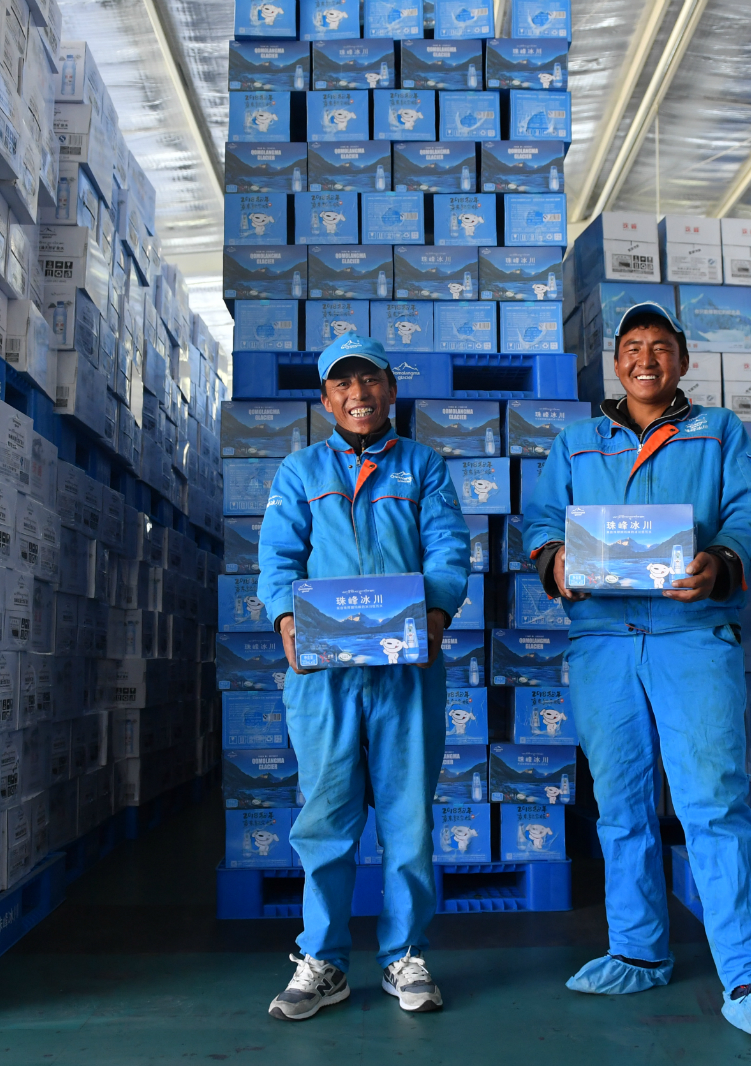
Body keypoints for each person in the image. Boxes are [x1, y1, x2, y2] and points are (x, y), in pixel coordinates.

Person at [521, 302, 751, 1038]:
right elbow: (542, 521)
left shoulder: (718, 432)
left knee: (712, 802)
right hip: (603, 641)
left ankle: (749, 973)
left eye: (660, 346)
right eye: (633, 347)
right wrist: (555, 560)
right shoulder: (578, 443)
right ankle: (638, 951)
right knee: (620, 805)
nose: (645, 359)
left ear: (682, 359)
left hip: (692, 635)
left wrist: (721, 560)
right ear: (615, 361)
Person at [256, 331, 471, 1021]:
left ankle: (405, 953)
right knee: (325, 817)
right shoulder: (300, 472)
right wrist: (285, 620)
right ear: (325, 400)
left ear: (391, 390)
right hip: (325, 676)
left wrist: (435, 614)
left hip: (406, 670)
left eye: (370, 379)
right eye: (343, 384)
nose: (359, 394)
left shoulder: (422, 467)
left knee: (408, 818)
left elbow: (448, 549)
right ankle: (323, 960)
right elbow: (278, 558)